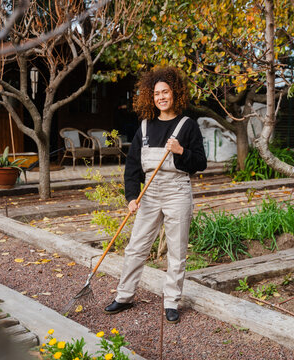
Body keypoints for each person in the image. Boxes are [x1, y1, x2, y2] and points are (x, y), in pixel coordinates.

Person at [104, 66, 207, 323]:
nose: (161, 97)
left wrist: (181, 151)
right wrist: (131, 197)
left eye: (166, 92)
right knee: (136, 247)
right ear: (151, 97)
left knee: (176, 250)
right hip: (149, 194)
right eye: (157, 93)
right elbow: (133, 167)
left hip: (177, 192)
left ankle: (171, 301)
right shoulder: (145, 127)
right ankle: (124, 296)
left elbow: (200, 163)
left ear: (175, 94)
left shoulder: (187, 126)